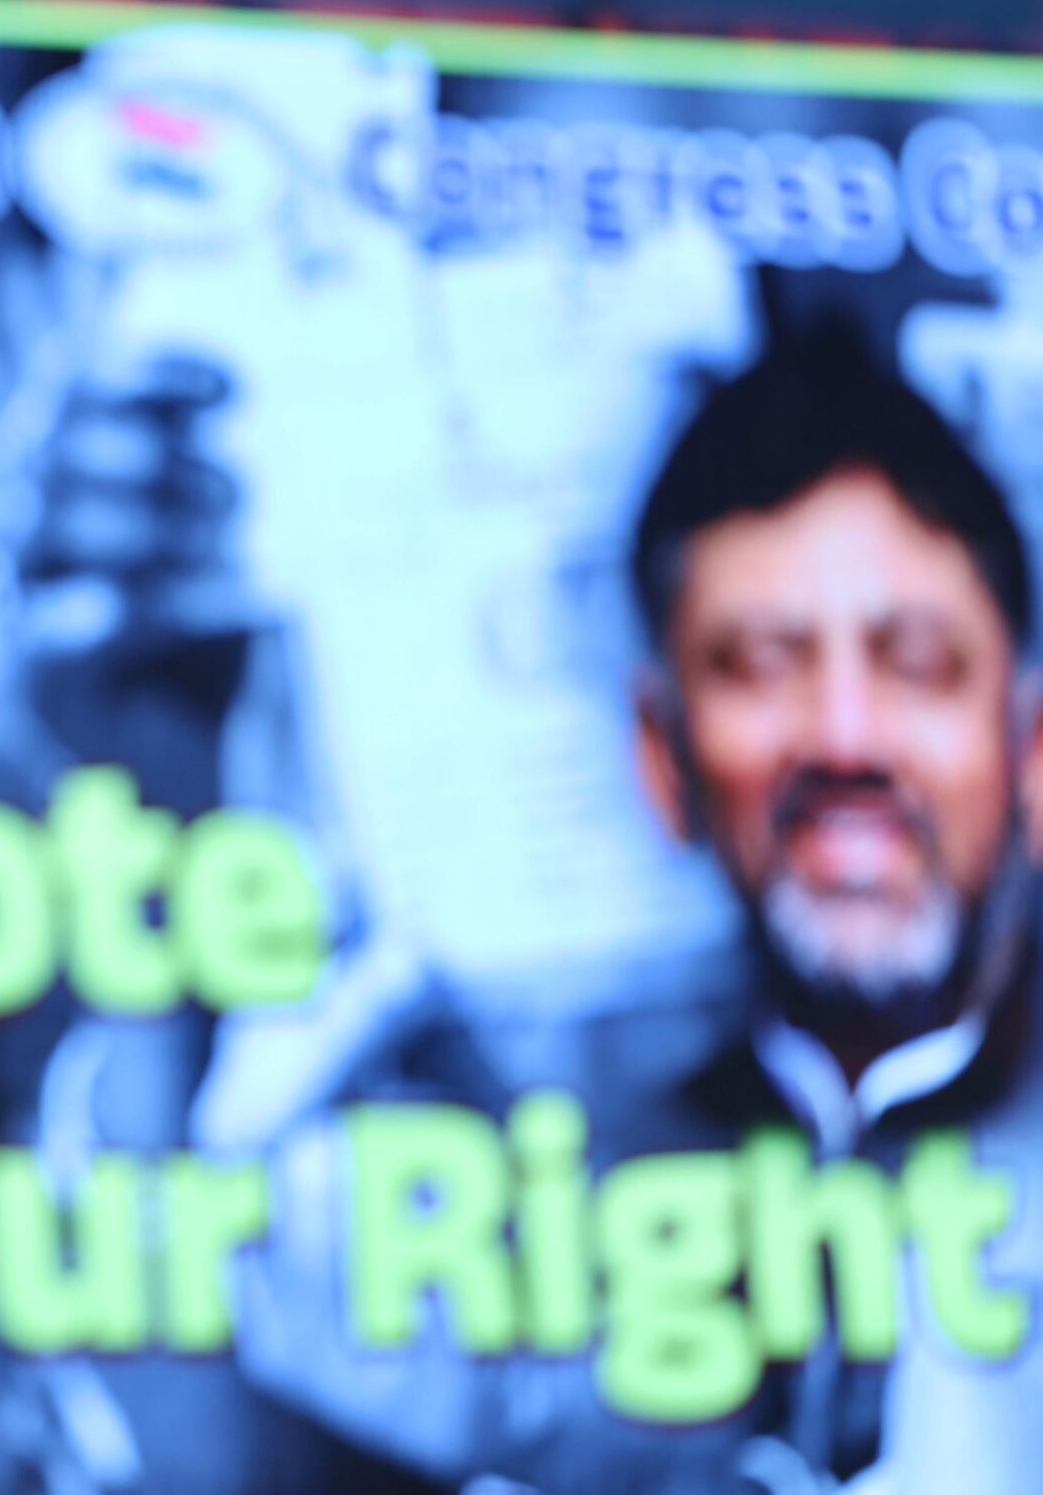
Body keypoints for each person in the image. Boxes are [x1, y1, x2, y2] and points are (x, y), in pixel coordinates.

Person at [211, 315, 1043, 1495]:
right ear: (661, 758)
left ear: (1029, 746)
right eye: (761, 665)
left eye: (915, 664)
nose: (844, 739)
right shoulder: (559, 1201)